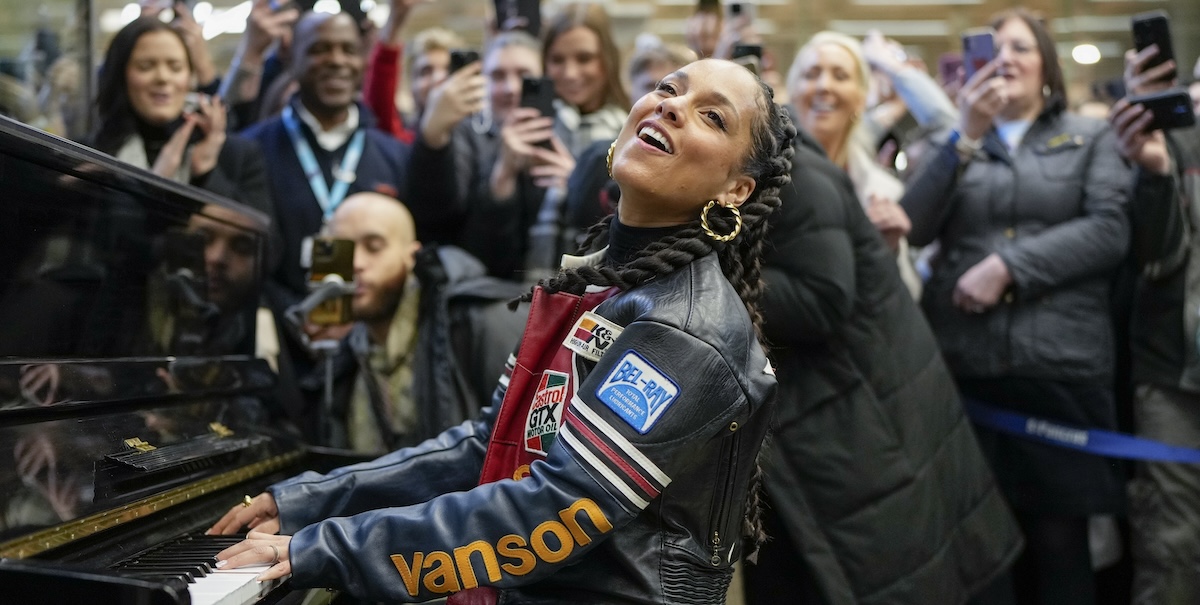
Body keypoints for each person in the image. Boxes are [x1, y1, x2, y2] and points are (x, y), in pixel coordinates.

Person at [208, 58, 795, 604]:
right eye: (669, 88)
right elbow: (486, 446)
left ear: (735, 189)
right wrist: (306, 501)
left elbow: (555, 510)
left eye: (711, 116)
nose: (671, 105)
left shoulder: (686, 329)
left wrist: (321, 547)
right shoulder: (604, 285)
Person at [900, 9, 1131, 605]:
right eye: (992, 49)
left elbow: (1110, 229)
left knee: (1061, 551)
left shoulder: (1092, 136)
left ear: (1047, 69)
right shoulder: (954, 142)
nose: (1006, 58)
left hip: (1058, 370)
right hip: (965, 373)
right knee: (978, 550)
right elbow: (913, 225)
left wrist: (1009, 267)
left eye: (1021, 48)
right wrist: (965, 135)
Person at [741, 125, 1022, 605]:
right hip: (830, 424)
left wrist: (698, 275)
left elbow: (821, 298)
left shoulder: (795, 175)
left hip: (858, 424)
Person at [285, 192, 527, 453]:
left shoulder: (474, 323)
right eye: (341, 249)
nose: (355, 264)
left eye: (374, 246)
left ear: (411, 255)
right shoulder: (344, 356)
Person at [242, 11, 455, 303]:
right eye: (319, 49)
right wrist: (293, 318)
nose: (337, 60)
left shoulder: (396, 156)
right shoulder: (250, 151)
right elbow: (245, 262)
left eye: (349, 50)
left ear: (362, 60)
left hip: (374, 332)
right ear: (292, 57)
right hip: (280, 334)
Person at [1109, 42, 1200, 605]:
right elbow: (1156, 260)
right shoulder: (1174, 144)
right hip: (1174, 373)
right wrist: (1156, 171)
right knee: (1172, 544)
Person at [786, 31, 924, 297]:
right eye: (812, 74)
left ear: (861, 98)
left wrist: (889, 250)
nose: (824, 86)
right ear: (793, 92)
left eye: (840, 76)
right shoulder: (762, 182)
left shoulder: (885, 191)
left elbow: (909, 297)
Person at [87, 18, 270, 218]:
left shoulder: (238, 156)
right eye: (146, 66)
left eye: (175, 67)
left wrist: (207, 173)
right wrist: (153, 189)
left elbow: (263, 242)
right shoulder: (90, 154)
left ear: (190, 79)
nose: (163, 78)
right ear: (121, 75)